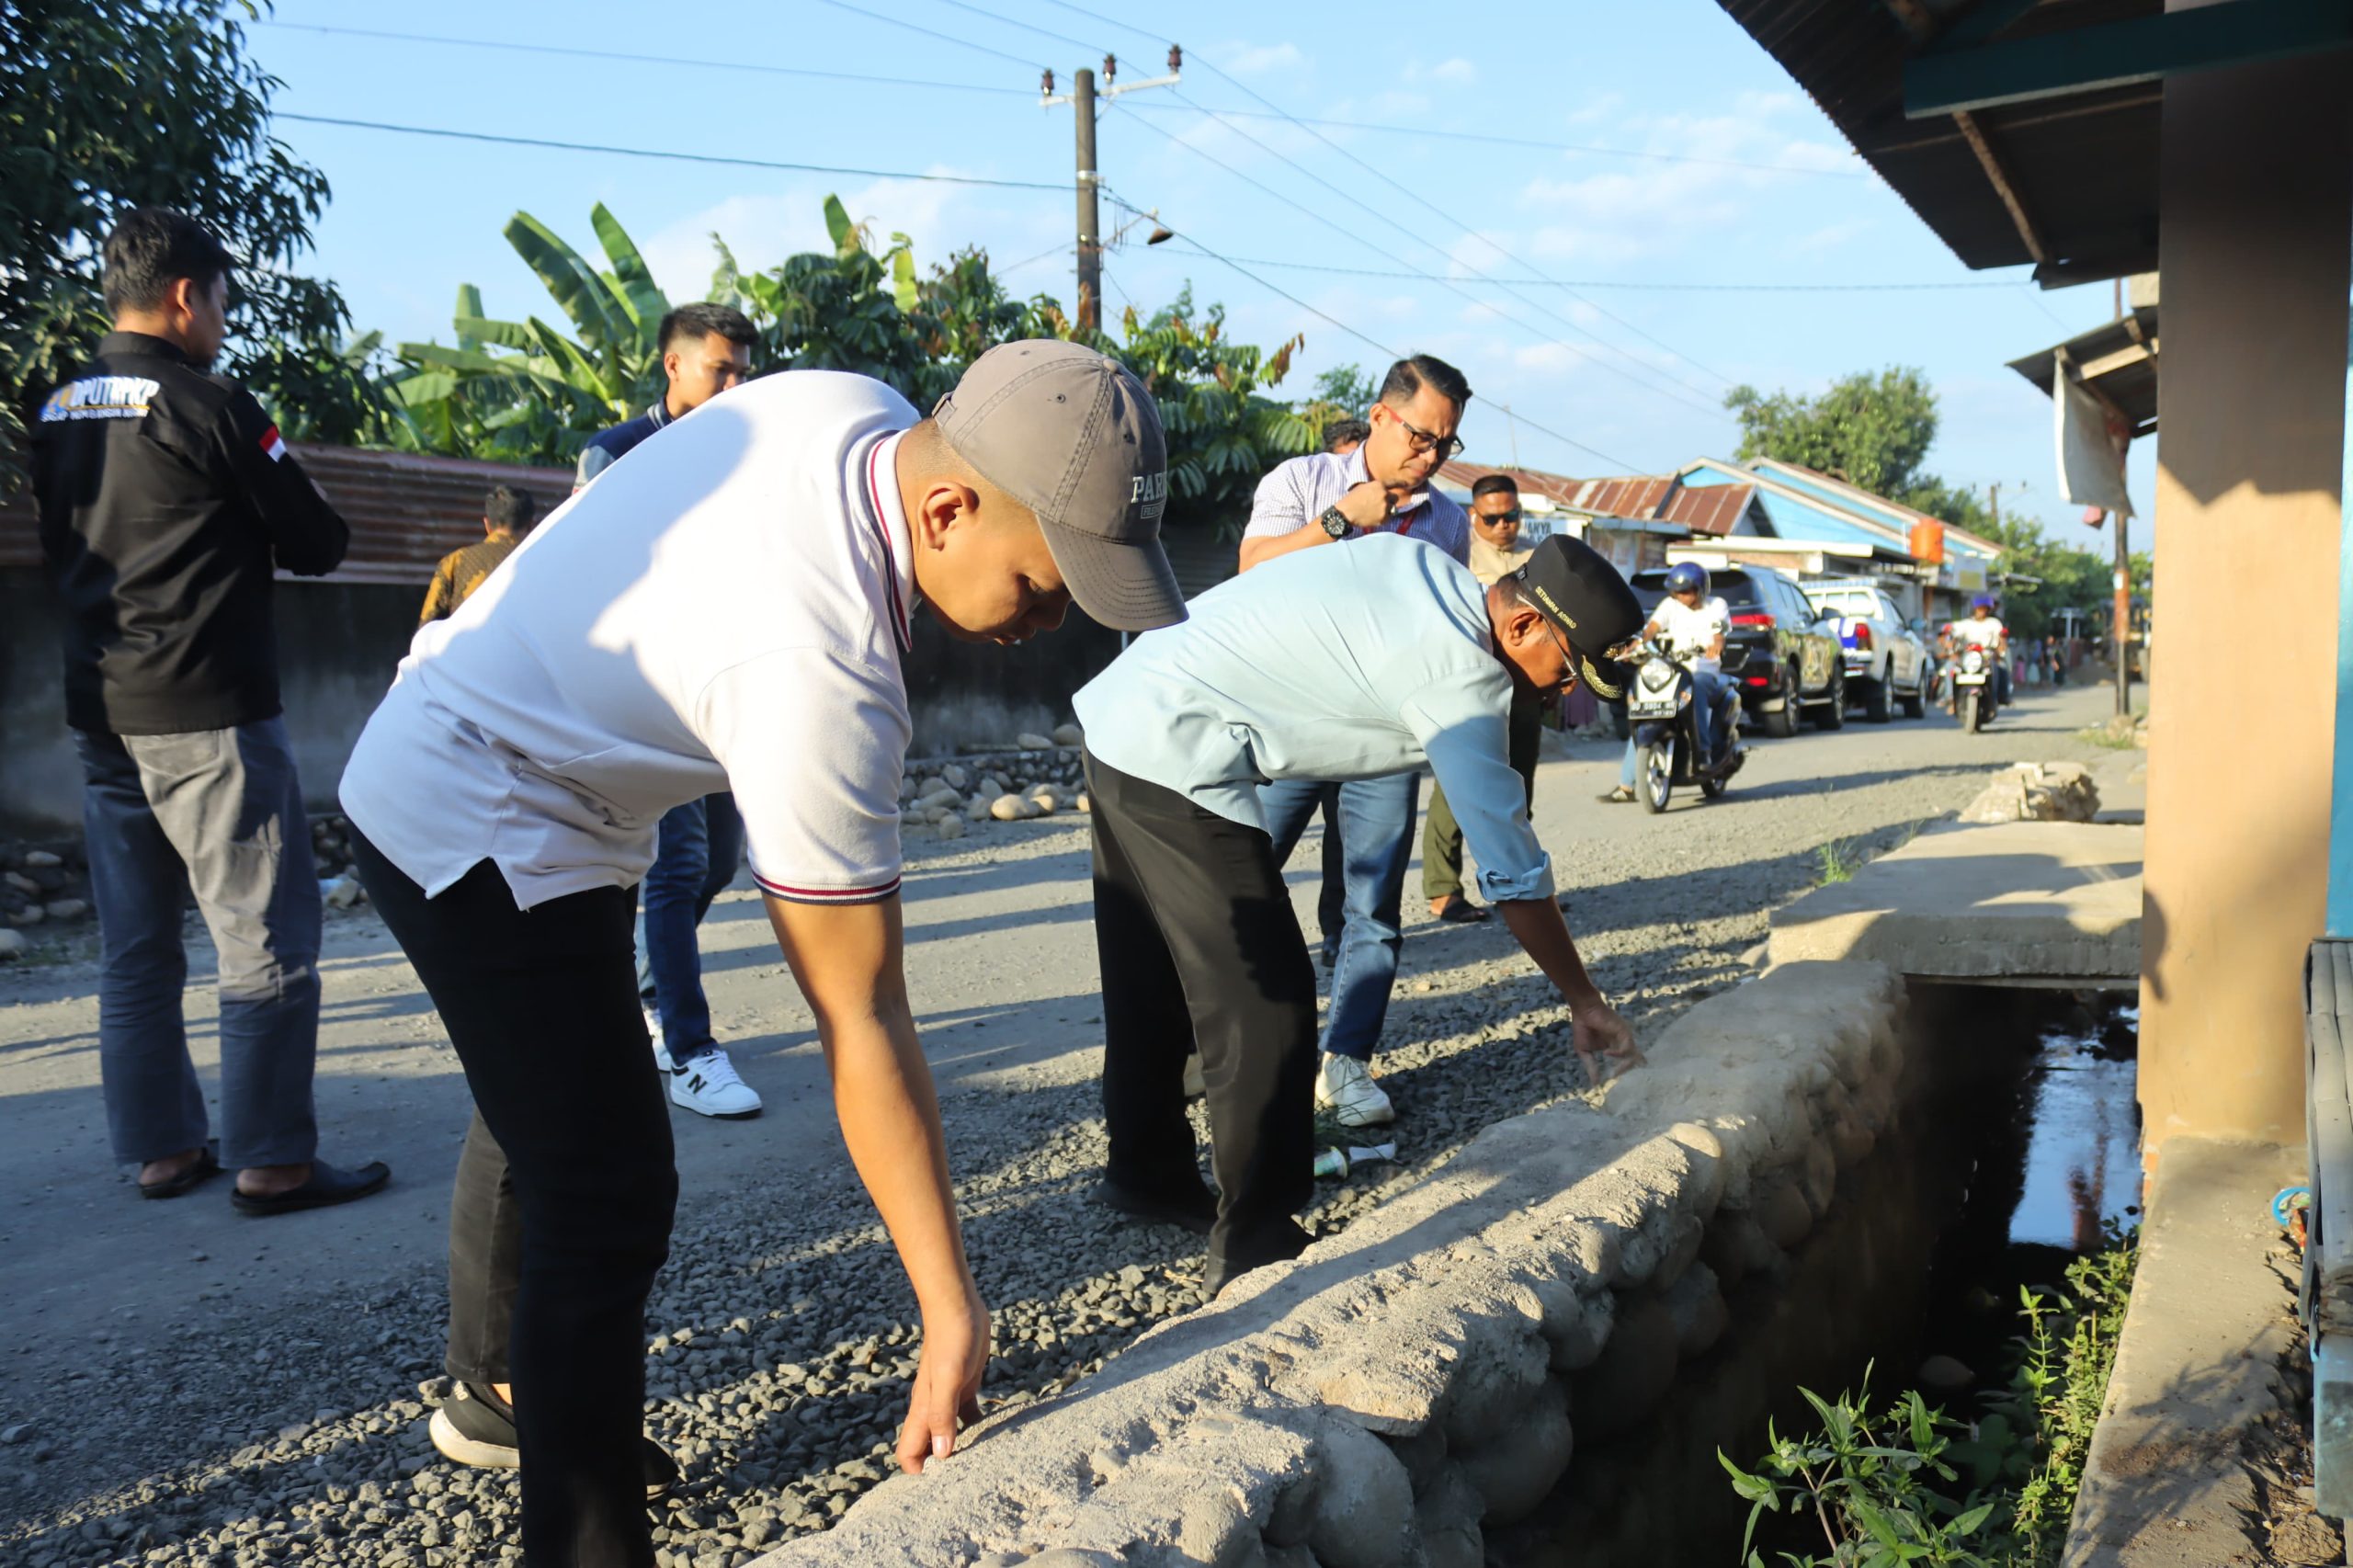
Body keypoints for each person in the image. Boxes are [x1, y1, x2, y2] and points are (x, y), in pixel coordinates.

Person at [340, 341, 1179, 1562]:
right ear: (947, 508)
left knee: (560, 1095)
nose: (1046, 627)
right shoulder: (822, 668)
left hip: (541, 764)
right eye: (1045, 587)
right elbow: (863, 1016)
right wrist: (951, 1308)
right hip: (475, 799)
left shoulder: (861, 411)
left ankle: (500, 1385)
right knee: (606, 1187)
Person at [1074, 533, 1644, 1293]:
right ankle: (1257, 1241)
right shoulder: (1461, 678)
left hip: (1128, 708)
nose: (1559, 696)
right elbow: (1511, 869)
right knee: (1266, 999)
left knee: (1146, 966)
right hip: (1178, 744)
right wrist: (1584, 1000)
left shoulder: (1434, 576)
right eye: (1568, 672)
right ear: (1523, 628)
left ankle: (1146, 1171)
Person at [29, 208, 390, 1214]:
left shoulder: (51, 404)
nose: (223, 320)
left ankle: (163, 1150)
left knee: (136, 944)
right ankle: (273, 1159)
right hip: (209, 709)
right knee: (262, 935)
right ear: (186, 296)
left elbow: (66, 546)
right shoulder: (213, 405)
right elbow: (319, 539)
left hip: (101, 711)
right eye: (222, 300)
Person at [1234, 354, 1474, 1129]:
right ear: (1379, 417)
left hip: (1384, 734)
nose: (1431, 455)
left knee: (1369, 905)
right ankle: (1229, 1047)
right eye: (1421, 435)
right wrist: (1343, 521)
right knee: (1238, 880)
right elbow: (1250, 573)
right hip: (1290, 722)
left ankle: (1345, 1063)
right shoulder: (1300, 482)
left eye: (1445, 444)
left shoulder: (1447, 520)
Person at [575, 301, 767, 1117]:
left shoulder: (744, 455)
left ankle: (650, 994)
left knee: (719, 860)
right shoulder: (617, 454)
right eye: (720, 368)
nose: (734, 383)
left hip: (722, 684)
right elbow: (594, 569)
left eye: (743, 371)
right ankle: (688, 1050)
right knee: (678, 864)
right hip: (651, 688)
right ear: (674, 365)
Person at [1423, 473, 1539, 919]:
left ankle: (1521, 887)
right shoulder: (1459, 555)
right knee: (1454, 791)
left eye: (1512, 515)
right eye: (1494, 518)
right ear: (1476, 516)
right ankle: (1442, 890)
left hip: (1524, 690)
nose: (1504, 525)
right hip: (1470, 688)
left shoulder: (1536, 558)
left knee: (1520, 792)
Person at [1599, 562, 1734, 804]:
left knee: (1698, 691)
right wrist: (1638, 643)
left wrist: (1717, 645)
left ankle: (1702, 754)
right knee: (1645, 710)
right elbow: (1652, 627)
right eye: (1676, 591)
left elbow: (1719, 632)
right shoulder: (1671, 605)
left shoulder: (1717, 605)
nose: (1680, 596)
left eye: (1685, 591)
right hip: (1672, 669)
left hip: (1703, 669)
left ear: (1700, 589)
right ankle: (1627, 785)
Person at [419, 484, 540, 624]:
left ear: (487, 525)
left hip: (465, 644)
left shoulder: (455, 561)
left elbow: (427, 626)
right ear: (531, 526)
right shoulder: (543, 565)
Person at [1948, 595, 2011, 712]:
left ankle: (2001, 697)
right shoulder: (1965, 624)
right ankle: (1951, 698)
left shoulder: (1994, 623)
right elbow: (1954, 635)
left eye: (1985, 609)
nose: (1983, 611)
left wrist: (2002, 648)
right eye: (1980, 608)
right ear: (1975, 609)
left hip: (1987, 656)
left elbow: (2001, 637)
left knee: (2002, 669)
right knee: (1950, 668)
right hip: (1967, 657)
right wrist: (1952, 645)